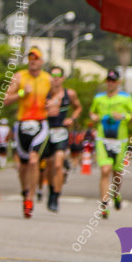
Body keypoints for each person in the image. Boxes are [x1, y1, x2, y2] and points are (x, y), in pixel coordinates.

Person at [4, 46, 52, 219]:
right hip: (22, 124)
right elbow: (6, 99)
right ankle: (25, 192)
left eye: (36, 58)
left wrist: (52, 104)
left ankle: (31, 198)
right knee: (23, 165)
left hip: (40, 123)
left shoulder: (48, 79)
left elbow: (56, 98)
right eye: (30, 57)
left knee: (33, 160)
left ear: (41, 61)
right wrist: (22, 93)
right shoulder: (19, 77)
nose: (33, 60)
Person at [89, 69, 132, 220]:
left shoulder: (126, 98)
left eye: (113, 80)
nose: (110, 83)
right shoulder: (99, 98)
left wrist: (123, 116)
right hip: (103, 139)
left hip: (120, 141)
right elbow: (92, 113)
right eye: (108, 80)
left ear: (118, 82)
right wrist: (94, 117)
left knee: (117, 173)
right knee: (105, 170)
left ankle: (116, 194)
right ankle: (104, 205)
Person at [42, 64, 82, 212]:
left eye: (58, 76)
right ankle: (51, 189)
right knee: (49, 166)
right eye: (53, 76)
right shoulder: (43, 93)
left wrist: (72, 119)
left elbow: (78, 107)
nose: (55, 79)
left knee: (58, 164)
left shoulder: (69, 93)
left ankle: (55, 197)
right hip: (46, 131)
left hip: (61, 132)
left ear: (63, 78)